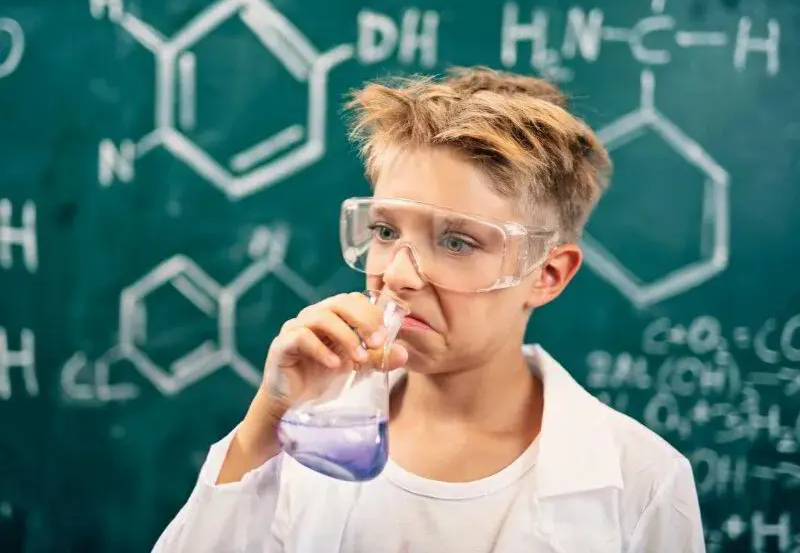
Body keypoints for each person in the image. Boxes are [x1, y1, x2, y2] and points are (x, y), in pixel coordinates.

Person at [152, 67, 706, 552]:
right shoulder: (307, 433)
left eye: (458, 242)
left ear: (547, 275)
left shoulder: (641, 482)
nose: (395, 274)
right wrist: (264, 427)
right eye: (385, 231)